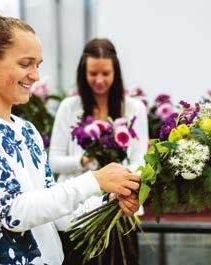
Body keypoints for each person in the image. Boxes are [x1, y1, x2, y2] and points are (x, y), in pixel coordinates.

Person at [0, 12, 141, 265]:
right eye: (26, 64)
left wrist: (108, 201)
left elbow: (56, 214)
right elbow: (15, 212)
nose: (35, 75)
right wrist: (95, 180)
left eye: (38, 65)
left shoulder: (27, 130)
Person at [49, 38, 149, 264]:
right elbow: (53, 161)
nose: (100, 80)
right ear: (83, 72)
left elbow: (140, 162)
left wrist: (119, 185)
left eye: (106, 73)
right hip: (76, 213)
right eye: (93, 74)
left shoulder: (134, 108)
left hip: (120, 209)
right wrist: (85, 162)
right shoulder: (69, 107)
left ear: (116, 72)